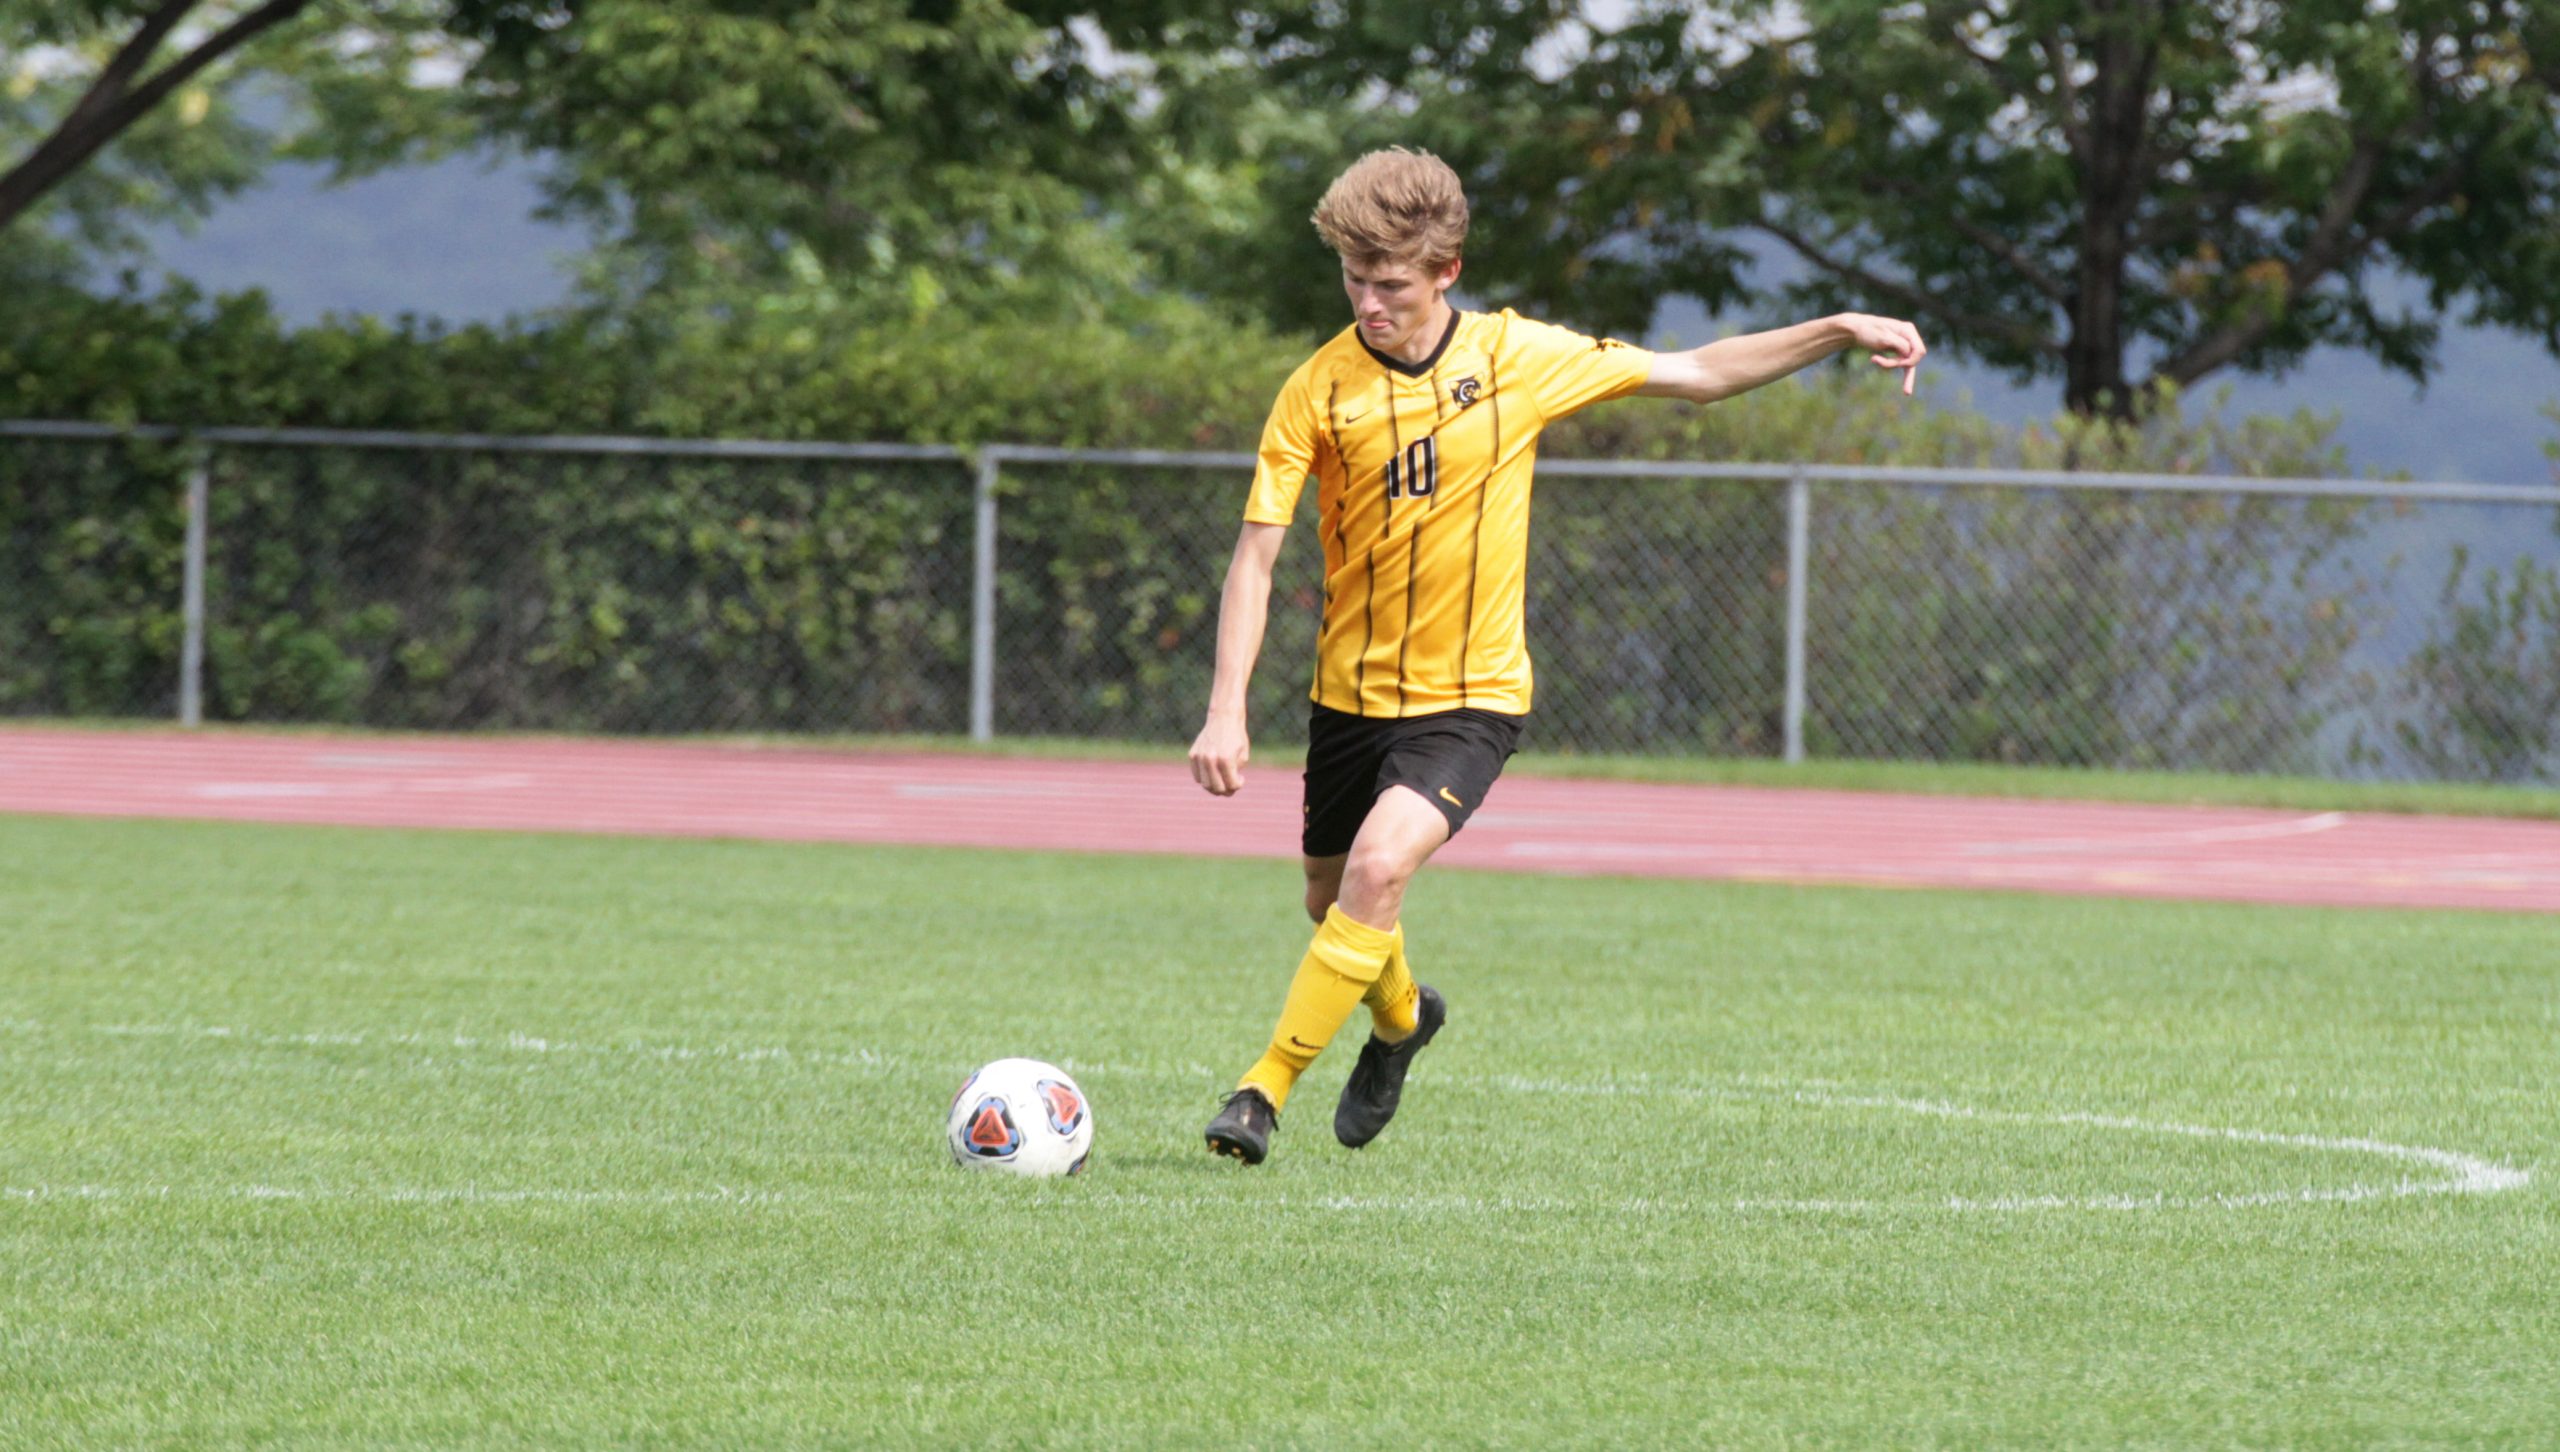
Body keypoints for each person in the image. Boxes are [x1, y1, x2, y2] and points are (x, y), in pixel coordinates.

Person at [1190, 147, 1926, 1165]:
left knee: (1376, 865)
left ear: (1445, 271)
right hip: (1347, 699)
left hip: (1471, 696)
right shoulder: (1316, 390)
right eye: (1354, 280)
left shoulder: (1514, 357)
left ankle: (1259, 1092)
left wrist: (1838, 328)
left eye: (1391, 284)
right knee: (1332, 903)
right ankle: (1402, 1021)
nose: (1368, 302)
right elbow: (1256, 557)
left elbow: (1701, 372)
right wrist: (1226, 706)